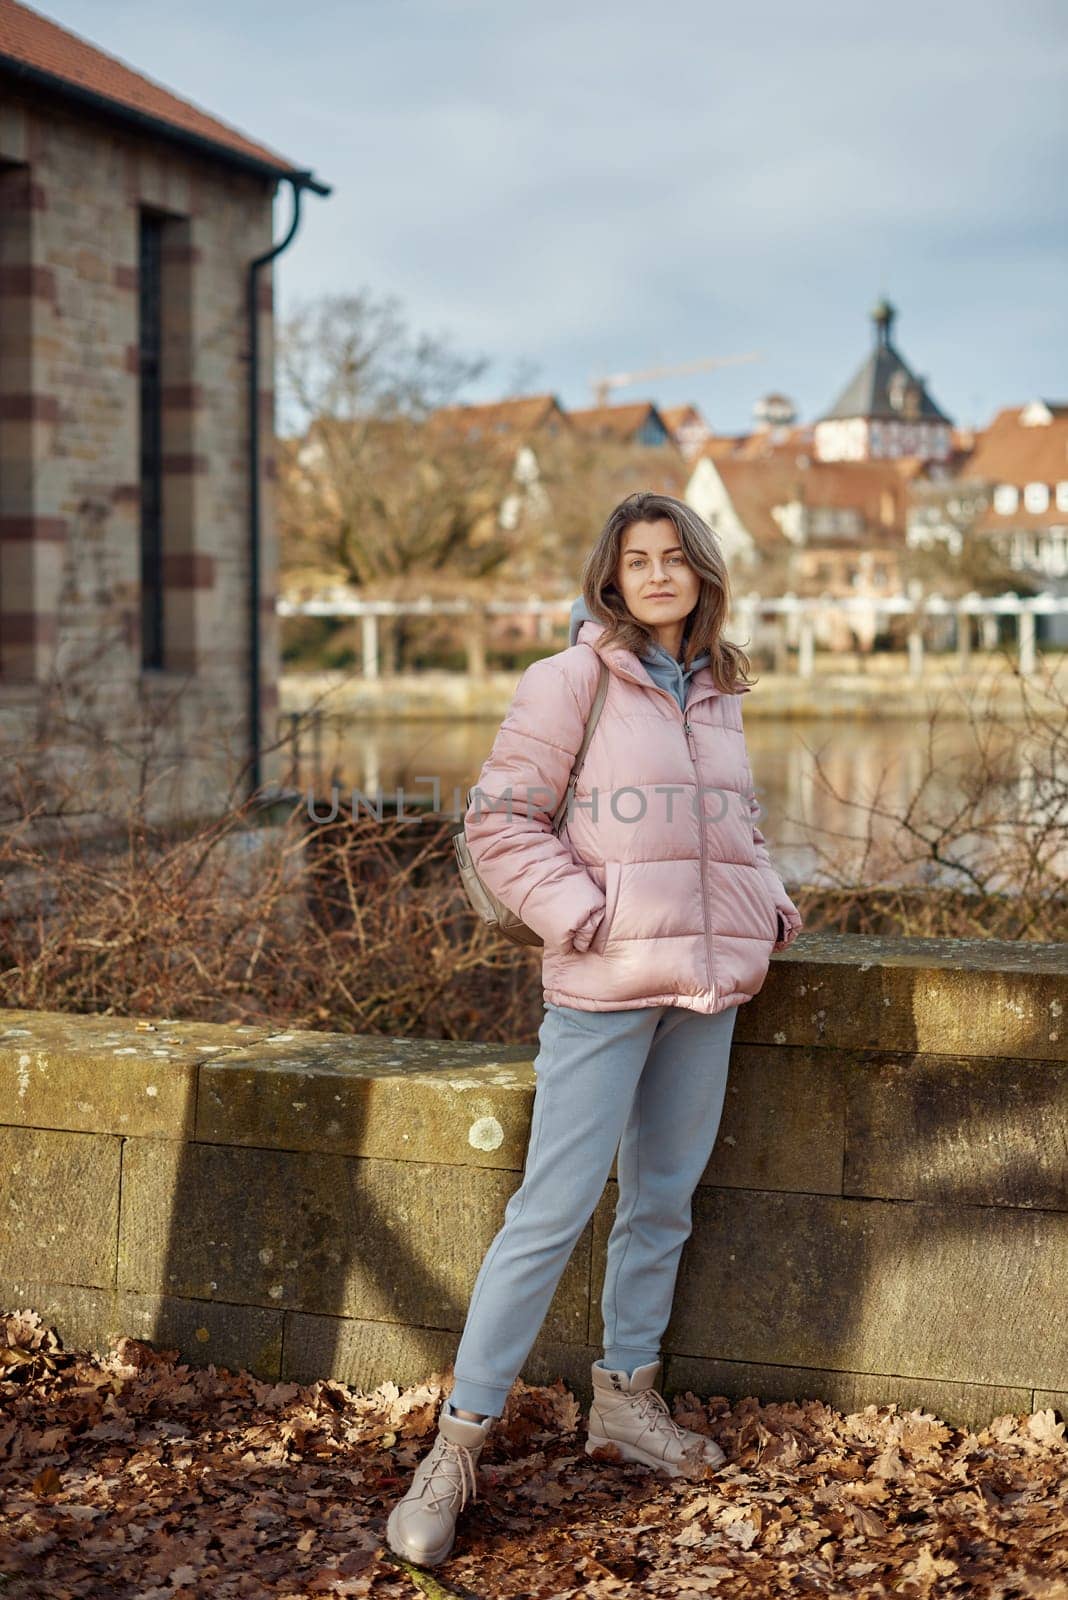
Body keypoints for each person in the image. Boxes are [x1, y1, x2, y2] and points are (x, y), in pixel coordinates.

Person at [386, 491, 803, 1567]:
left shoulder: (716, 691)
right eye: (638, 559)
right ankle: (458, 1445)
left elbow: (730, 827)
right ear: (610, 579)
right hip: (604, 988)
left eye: (676, 556)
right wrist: (584, 915)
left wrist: (768, 903)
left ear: (702, 574)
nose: (658, 573)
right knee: (550, 1209)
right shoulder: (569, 679)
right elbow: (498, 822)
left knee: (660, 1203)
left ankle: (625, 1402)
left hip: (707, 990)